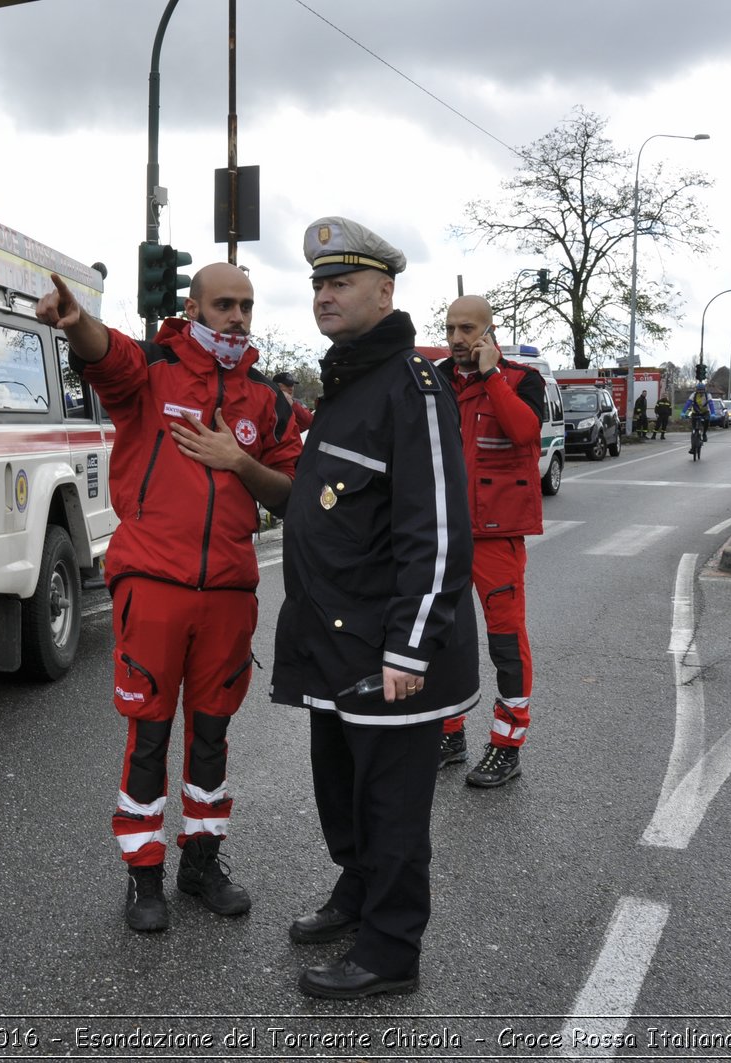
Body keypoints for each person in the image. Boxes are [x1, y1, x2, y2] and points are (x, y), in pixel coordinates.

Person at [35, 263, 302, 934]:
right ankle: (143, 872)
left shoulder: (267, 400)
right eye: (223, 304)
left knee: (211, 734)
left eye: (245, 304)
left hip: (230, 590)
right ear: (193, 306)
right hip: (154, 584)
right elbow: (107, 354)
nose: (237, 316)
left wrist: (239, 462)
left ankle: (202, 862)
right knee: (149, 734)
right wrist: (78, 323)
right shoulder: (153, 369)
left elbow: (292, 494)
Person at [272, 217, 480, 1000]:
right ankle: (356, 894)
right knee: (342, 788)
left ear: (385, 291)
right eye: (319, 283)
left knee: (392, 806)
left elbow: (437, 532)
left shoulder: (411, 387)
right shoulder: (349, 381)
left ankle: (391, 950)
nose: (324, 294)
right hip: (333, 639)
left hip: (389, 648)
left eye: (342, 282)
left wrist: (409, 649)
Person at [435, 296, 544, 789]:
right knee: (440, 639)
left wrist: (491, 375)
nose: (457, 338)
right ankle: (448, 732)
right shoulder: (433, 378)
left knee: (504, 640)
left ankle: (507, 743)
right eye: (450, 328)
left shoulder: (523, 380)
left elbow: (524, 432)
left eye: (467, 329)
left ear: (488, 332)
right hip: (440, 533)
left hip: (496, 538)